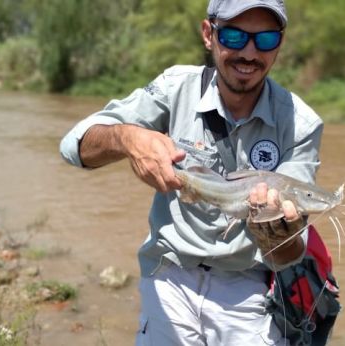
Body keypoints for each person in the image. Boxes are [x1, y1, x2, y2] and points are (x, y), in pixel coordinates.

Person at [60, 0, 324, 344]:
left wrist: (275, 230)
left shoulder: (301, 124)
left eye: (265, 40)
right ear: (208, 34)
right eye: (233, 36)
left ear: (280, 44)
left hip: (248, 289)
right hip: (169, 275)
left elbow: (286, 256)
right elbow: (73, 146)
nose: (249, 52)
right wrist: (127, 138)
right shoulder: (175, 87)